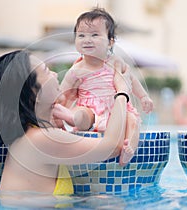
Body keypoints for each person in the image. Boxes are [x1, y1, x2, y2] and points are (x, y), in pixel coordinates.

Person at [0, 50, 131, 198]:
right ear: (35, 93)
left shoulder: (33, 133)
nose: (55, 75)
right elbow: (112, 147)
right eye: (47, 72)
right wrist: (122, 91)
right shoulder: (40, 139)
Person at [53, 8, 154, 166]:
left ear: (110, 41)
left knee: (133, 121)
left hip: (117, 110)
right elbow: (64, 93)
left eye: (94, 35)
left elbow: (131, 79)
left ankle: (128, 149)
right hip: (90, 108)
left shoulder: (115, 62)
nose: (87, 39)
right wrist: (59, 109)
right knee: (81, 116)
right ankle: (71, 118)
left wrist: (143, 96)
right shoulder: (76, 70)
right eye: (81, 35)